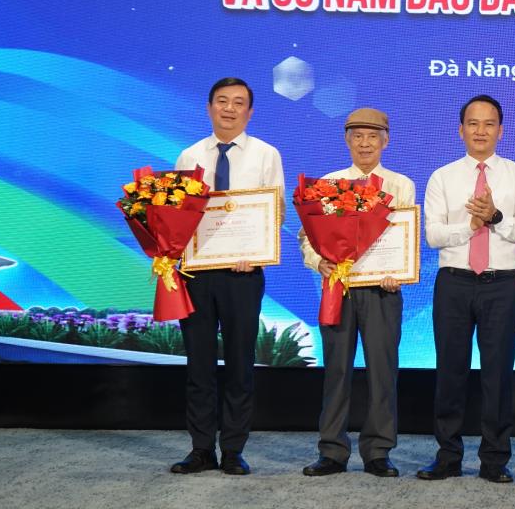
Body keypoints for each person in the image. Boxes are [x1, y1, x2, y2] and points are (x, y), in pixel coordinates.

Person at [418, 95, 515, 484]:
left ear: (501, 131)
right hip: (454, 283)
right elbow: (433, 236)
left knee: (497, 374)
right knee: (450, 372)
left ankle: (495, 459)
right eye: (473, 123)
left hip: (502, 284)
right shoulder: (442, 177)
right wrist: (469, 227)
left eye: (489, 124)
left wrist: (495, 217)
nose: (480, 130)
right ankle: (448, 456)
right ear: (461, 130)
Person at [171, 77, 284, 476]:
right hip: (197, 273)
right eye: (222, 101)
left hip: (243, 275)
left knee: (240, 363)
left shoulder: (266, 154)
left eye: (238, 103)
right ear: (209, 108)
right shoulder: (189, 155)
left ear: (249, 112)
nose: (229, 109)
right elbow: (178, 213)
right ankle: (201, 448)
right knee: (199, 365)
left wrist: (255, 254)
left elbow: (275, 211)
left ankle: (233, 449)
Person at [299, 108, 416, 478]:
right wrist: (318, 261)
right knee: (336, 370)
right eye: (358, 136)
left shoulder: (401, 185)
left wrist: (398, 272)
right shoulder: (328, 183)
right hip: (340, 287)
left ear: (386, 141)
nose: (365, 144)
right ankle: (332, 451)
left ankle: (378, 451)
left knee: (383, 371)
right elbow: (307, 236)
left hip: (382, 291)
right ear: (347, 140)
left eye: (373, 136)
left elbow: (405, 235)